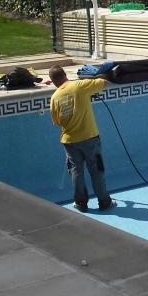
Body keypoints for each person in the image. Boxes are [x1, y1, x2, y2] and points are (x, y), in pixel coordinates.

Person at [49, 64, 117, 212]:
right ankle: (104, 201)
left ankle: (81, 203)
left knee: (76, 171)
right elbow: (104, 82)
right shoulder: (79, 86)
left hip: (70, 141)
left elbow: (57, 122)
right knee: (97, 170)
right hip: (90, 138)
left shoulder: (54, 98)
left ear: (53, 82)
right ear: (65, 75)